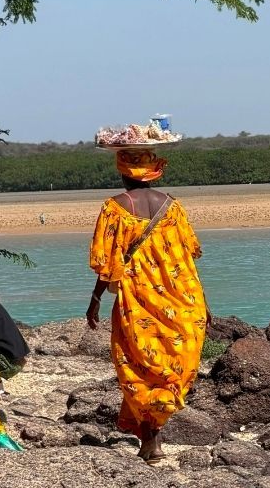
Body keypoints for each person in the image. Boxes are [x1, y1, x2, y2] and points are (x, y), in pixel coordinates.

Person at [86, 148, 207, 465]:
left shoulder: (114, 209)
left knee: (137, 364)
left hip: (138, 298)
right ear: (154, 171)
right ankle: (151, 436)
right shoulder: (173, 206)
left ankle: (151, 440)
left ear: (123, 172)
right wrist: (203, 302)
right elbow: (188, 257)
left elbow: (108, 264)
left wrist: (96, 299)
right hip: (183, 298)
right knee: (169, 366)